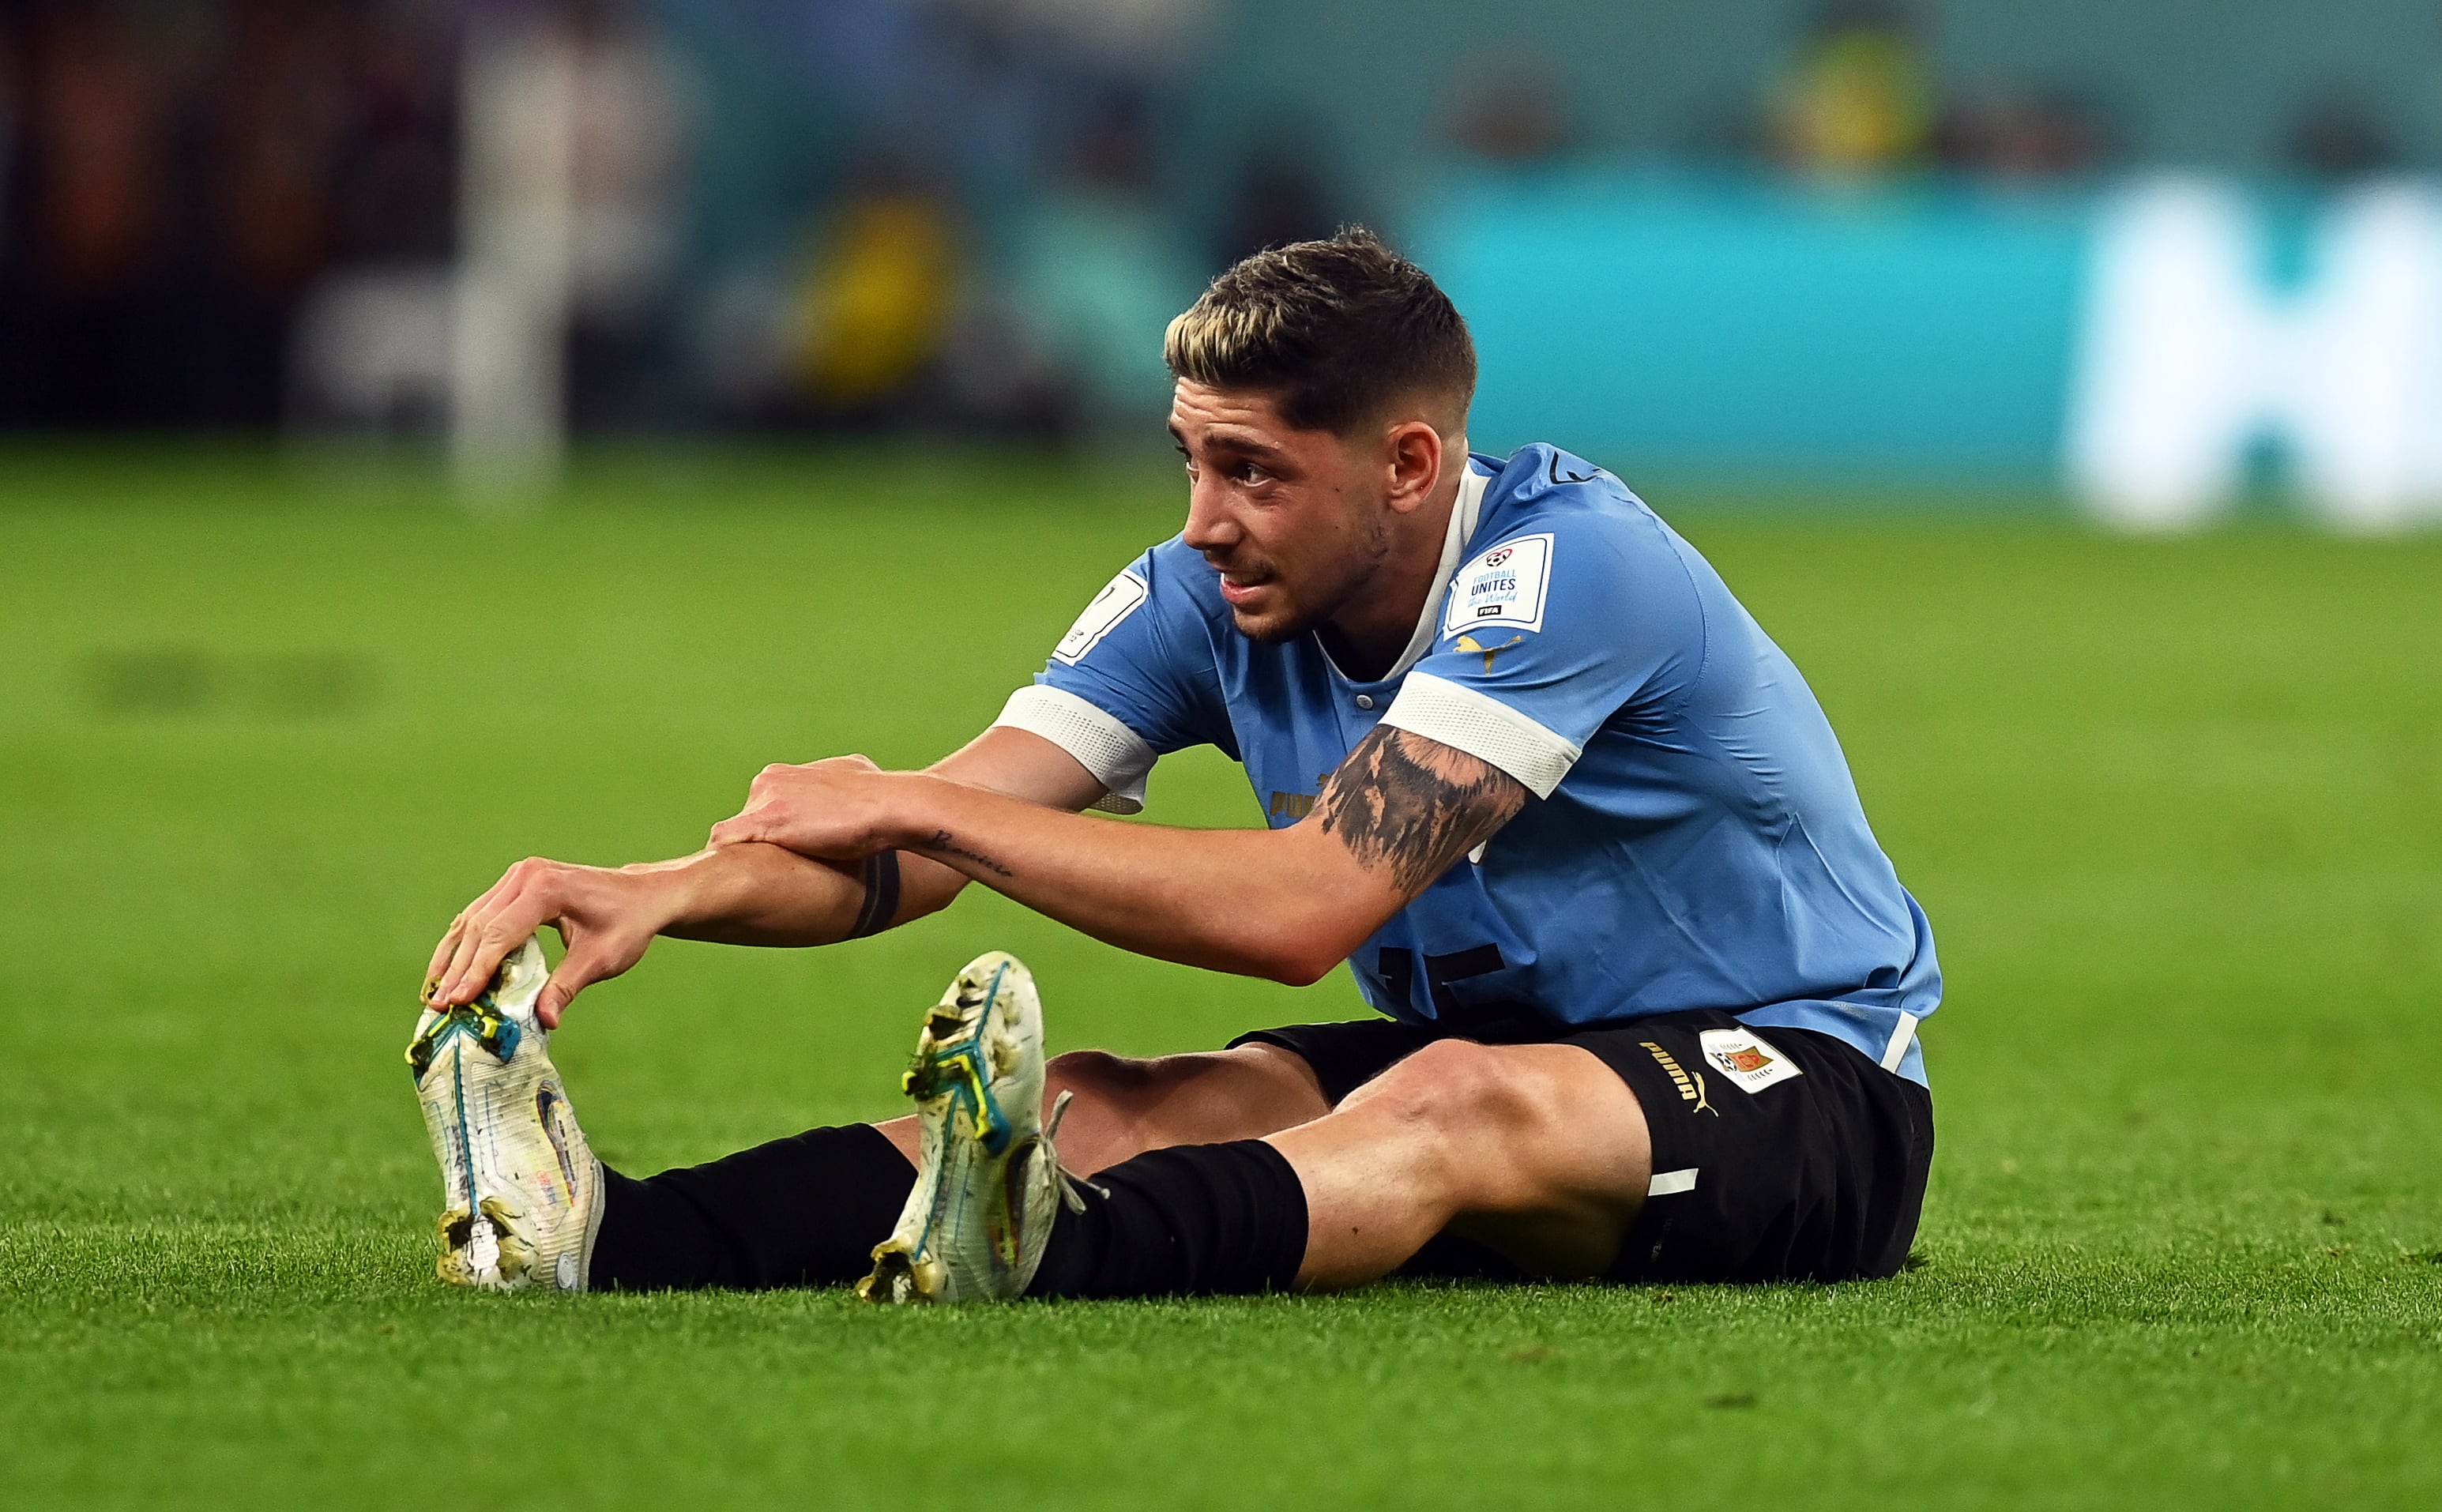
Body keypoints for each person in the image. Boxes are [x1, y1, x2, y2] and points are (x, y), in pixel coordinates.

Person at [411, 228, 1940, 1302]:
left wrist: (914, 800)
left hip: (1795, 1083)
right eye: (1192, 461)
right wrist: (659, 891)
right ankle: (602, 1236)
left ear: (1409, 466)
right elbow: (923, 853)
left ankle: (1051, 1250)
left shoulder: (1572, 573)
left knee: (1454, 1100)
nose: (1206, 517)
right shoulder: (1208, 595)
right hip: (1534, 1053)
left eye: (1256, 472)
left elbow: (1303, 910)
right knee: (1115, 1097)